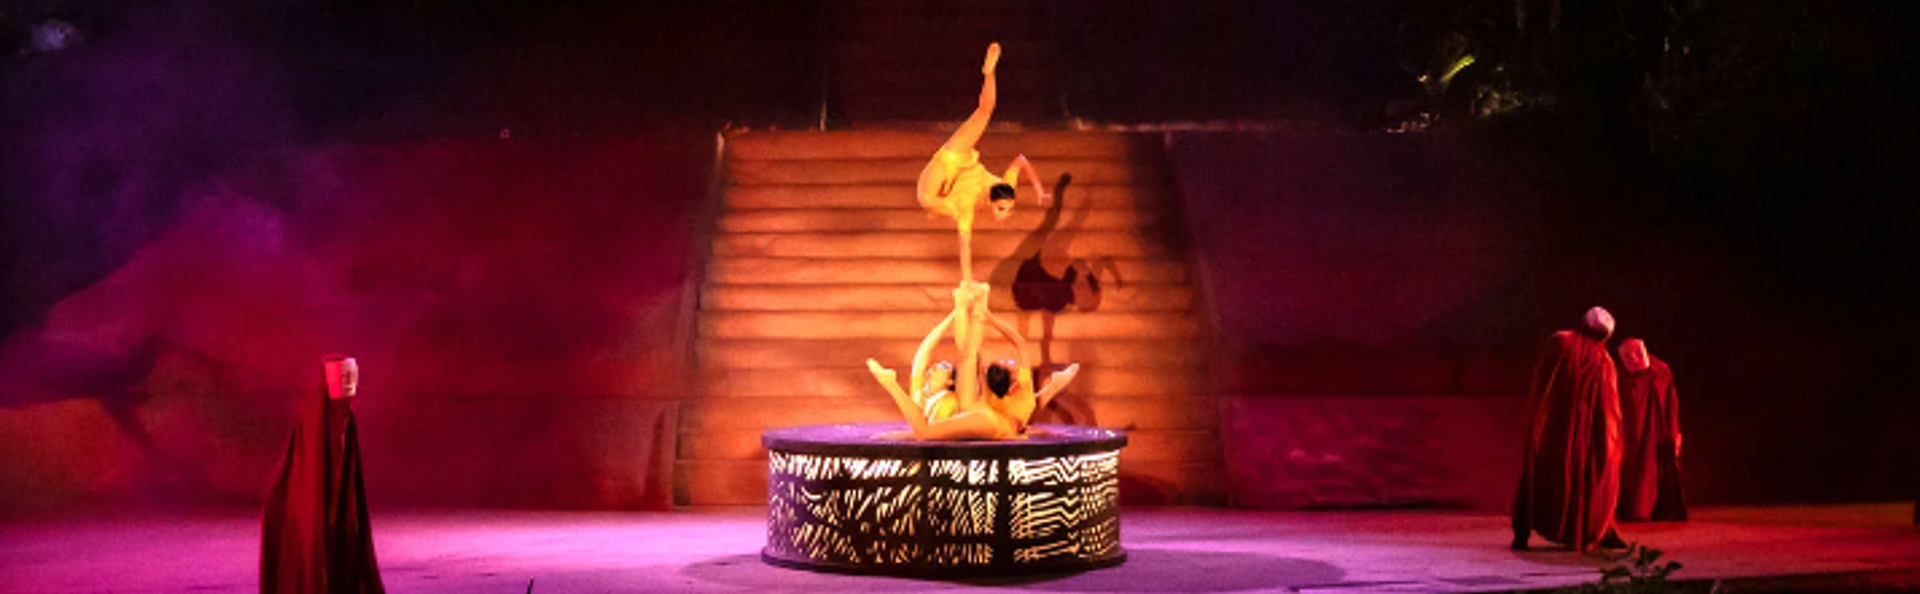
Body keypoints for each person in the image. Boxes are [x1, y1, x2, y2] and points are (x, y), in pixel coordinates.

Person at [917, 42, 1050, 283]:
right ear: (989, 200)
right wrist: (967, 281)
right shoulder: (968, 204)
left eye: (1009, 209)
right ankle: (988, 73)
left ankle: (942, 207)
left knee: (940, 207)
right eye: (1003, 209)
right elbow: (964, 245)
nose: (1006, 214)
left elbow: (1021, 161)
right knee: (926, 200)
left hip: (961, 170)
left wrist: (1040, 190)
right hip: (952, 161)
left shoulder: (1005, 187)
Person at [261, 355, 385, 593]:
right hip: (307, 504)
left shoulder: (346, 418)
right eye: (343, 375)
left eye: (353, 374)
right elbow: (308, 471)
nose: (350, 381)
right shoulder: (314, 415)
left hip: (335, 504)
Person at [1512, 307, 1628, 551]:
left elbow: (1544, 384)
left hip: (1560, 428)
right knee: (1586, 473)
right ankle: (1594, 529)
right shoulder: (1600, 358)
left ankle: (1525, 532)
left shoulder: (1564, 343)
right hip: (1562, 428)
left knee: (1548, 472)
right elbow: (1610, 410)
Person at [1616, 338, 1687, 522]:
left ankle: (1662, 510)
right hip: (1631, 435)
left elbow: (1671, 402)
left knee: (1659, 469)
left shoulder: (1661, 371)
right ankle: (1634, 511)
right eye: (1627, 357)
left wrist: (1675, 431)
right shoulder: (1617, 377)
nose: (1634, 359)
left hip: (1658, 432)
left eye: (1638, 354)